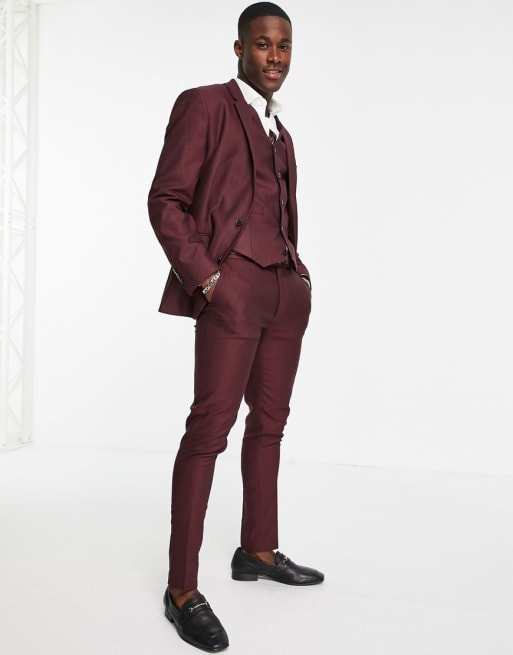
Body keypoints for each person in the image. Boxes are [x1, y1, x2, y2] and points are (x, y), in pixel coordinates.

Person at [148, 3, 324, 651]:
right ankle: (181, 589)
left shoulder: (282, 132)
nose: (274, 56)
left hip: (283, 291)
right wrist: (208, 279)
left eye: (284, 46)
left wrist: (297, 276)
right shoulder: (205, 104)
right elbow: (165, 199)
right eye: (263, 44)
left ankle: (256, 549)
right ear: (239, 48)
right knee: (208, 430)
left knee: (270, 424)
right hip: (232, 289)